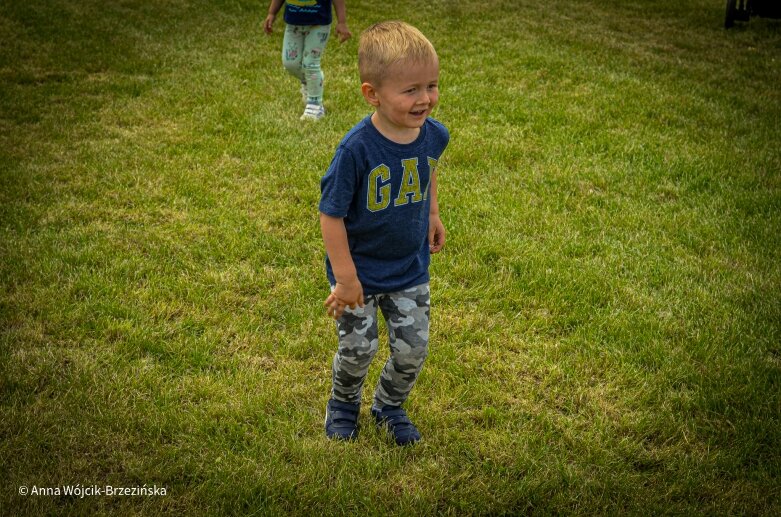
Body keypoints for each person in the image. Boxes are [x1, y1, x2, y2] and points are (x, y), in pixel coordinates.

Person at [318, 21, 449, 445]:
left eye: (431, 85)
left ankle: (389, 405)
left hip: (410, 267)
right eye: (410, 90)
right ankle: (342, 403)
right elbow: (331, 214)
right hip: (359, 272)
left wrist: (432, 213)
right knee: (358, 351)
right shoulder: (356, 149)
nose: (425, 98)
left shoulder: (433, 135)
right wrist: (346, 278)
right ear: (372, 93)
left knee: (412, 351)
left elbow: (426, 170)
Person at [263, 0, 352, 120]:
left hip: (319, 24)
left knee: (311, 63)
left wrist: (342, 22)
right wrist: (271, 13)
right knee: (289, 63)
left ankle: (315, 106)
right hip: (293, 25)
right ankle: (310, 82)